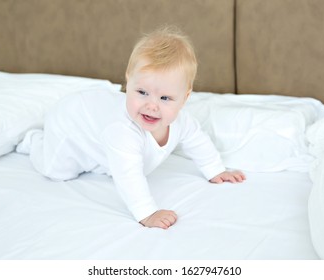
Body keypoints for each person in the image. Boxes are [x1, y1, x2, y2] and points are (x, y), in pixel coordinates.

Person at [16, 26, 246, 229]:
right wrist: (147, 213)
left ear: (185, 98)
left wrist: (215, 170)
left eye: (165, 98)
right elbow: (128, 176)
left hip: (95, 127)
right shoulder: (122, 130)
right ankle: (35, 140)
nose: (151, 106)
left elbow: (198, 141)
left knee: (103, 160)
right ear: (128, 81)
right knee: (58, 171)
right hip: (71, 123)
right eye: (142, 92)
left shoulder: (182, 122)